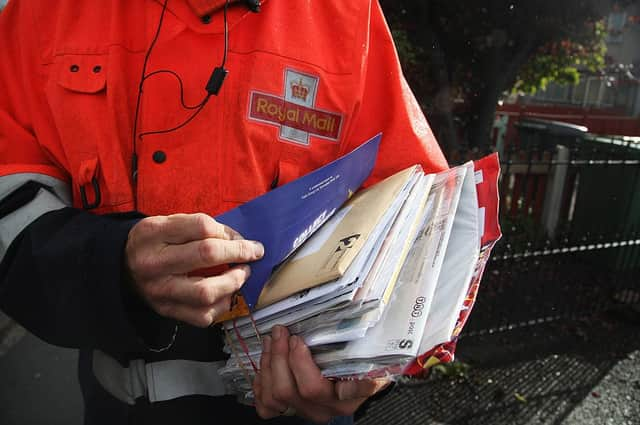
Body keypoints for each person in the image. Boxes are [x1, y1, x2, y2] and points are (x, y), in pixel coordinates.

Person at [0, 0, 448, 424]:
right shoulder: (45, 11)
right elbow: (10, 199)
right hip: (120, 410)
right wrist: (110, 264)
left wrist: (372, 362)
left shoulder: (345, 13)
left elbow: (419, 213)